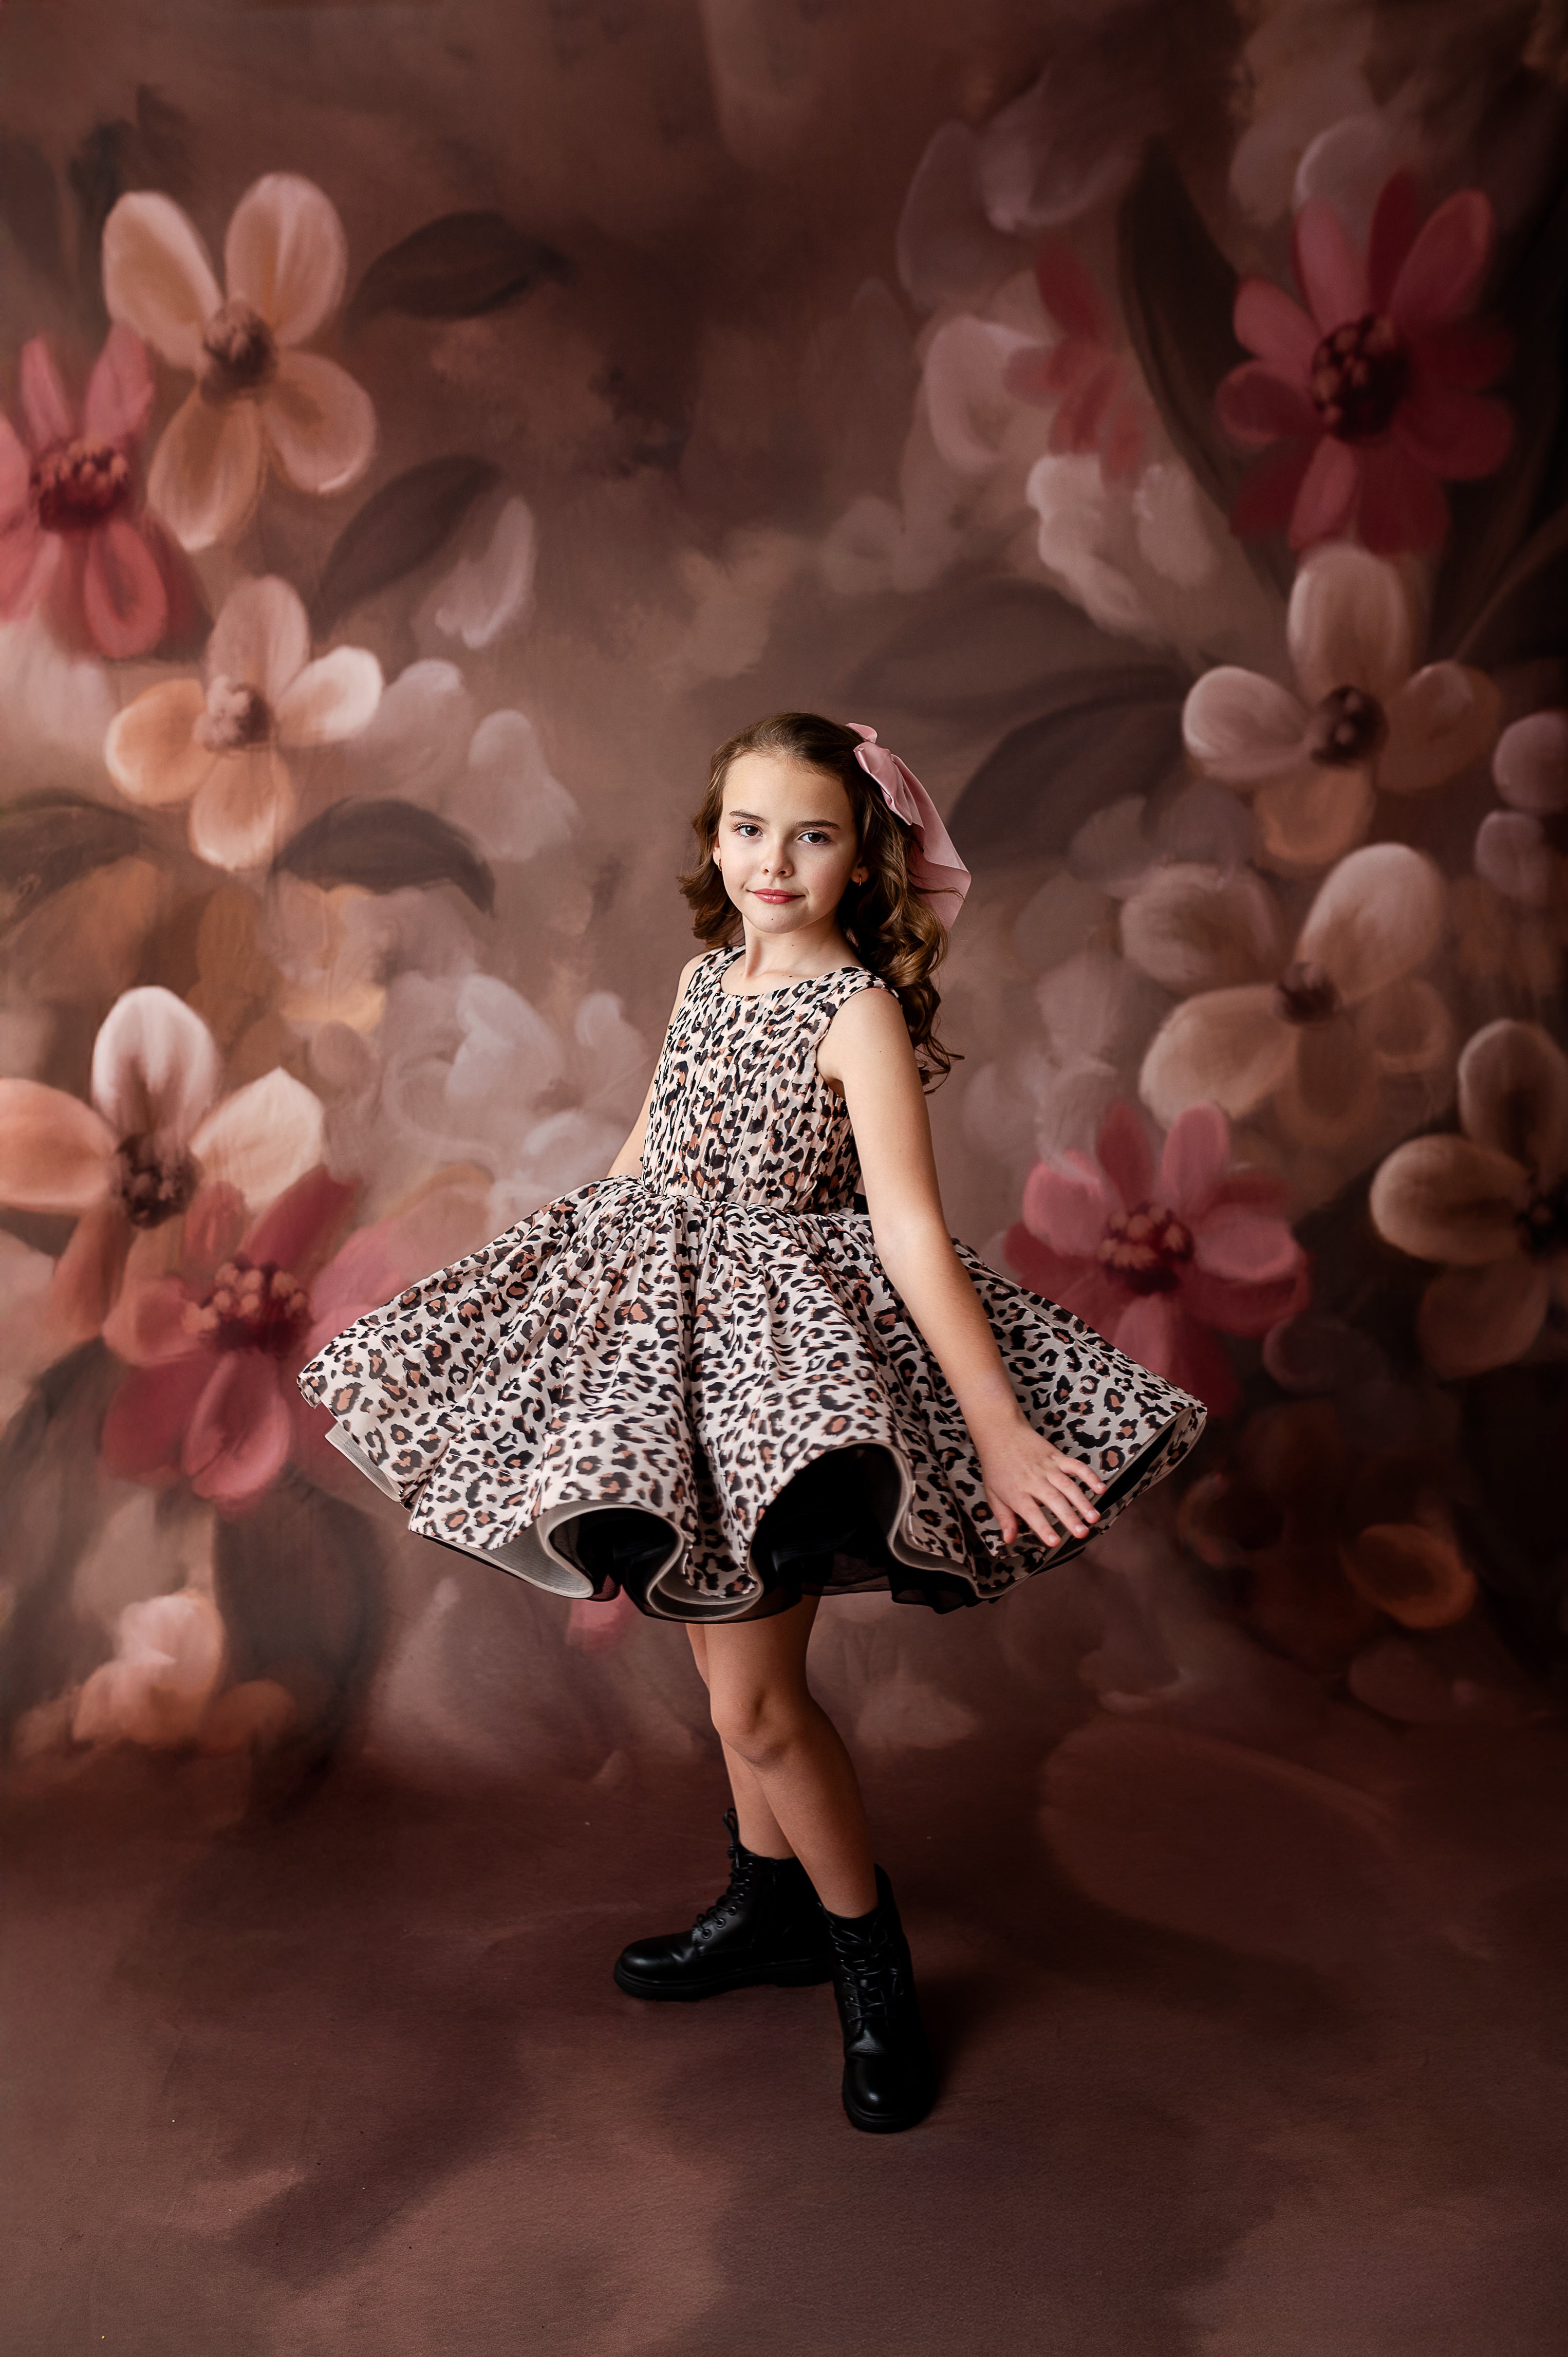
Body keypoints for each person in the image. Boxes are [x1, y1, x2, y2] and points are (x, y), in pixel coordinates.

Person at [297, 711, 1206, 2135]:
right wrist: (570, 1310)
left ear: (865, 859)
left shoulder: (854, 1013)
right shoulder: (705, 976)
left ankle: (869, 1959)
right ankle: (768, 1904)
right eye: (744, 828)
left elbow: (906, 1227)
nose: (770, 860)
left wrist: (1000, 1430)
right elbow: (646, 1154)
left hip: (791, 1377)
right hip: (680, 1343)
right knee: (728, 1668)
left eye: (812, 833)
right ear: (711, 840)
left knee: (756, 1703)